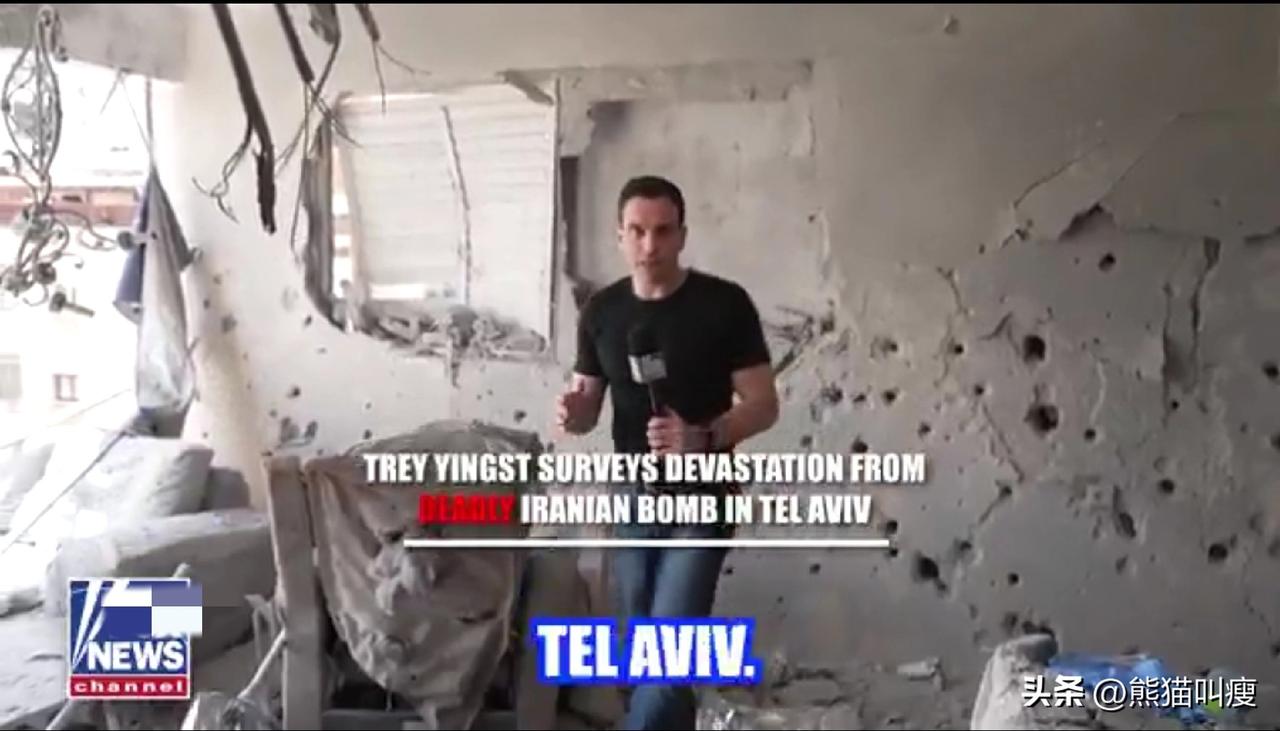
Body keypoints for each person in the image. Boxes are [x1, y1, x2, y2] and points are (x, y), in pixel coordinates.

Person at [556, 175, 780, 730]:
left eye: (662, 231)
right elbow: (586, 409)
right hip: (633, 497)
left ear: (682, 235)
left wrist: (701, 437)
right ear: (619, 236)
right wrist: (572, 413)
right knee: (642, 651)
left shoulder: (724, 305)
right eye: (637, 231)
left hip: (704, 497)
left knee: (671, 647)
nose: (650, 245)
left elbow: (764, 405)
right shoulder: (602, 313)